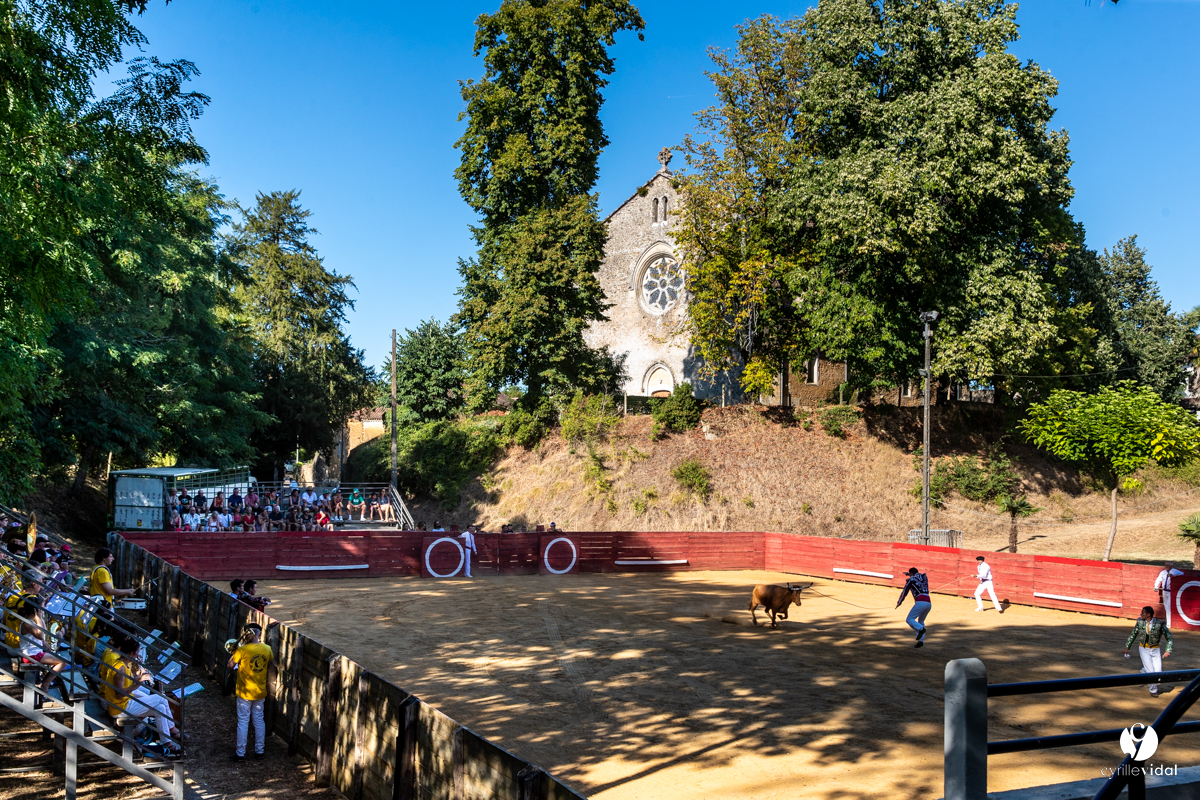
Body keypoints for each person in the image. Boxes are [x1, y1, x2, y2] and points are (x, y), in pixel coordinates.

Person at [100, 635, 180, 751]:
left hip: (126, 703)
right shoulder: (119, 669)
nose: (138, 654)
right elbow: (119, 694)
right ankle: (173, 729)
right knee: (161, 698)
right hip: (119, 708)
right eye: (137, 652)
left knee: (161, 708)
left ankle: (166, 742)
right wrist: (139, 681)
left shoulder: (124, 665)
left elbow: (129, 683)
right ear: (130, 653)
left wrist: (139, 675)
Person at [228, 623, 273, 760]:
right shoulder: (267, 649)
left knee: (243, 721)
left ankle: (240, 753)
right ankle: (260, 751)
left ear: (246, 633)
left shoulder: (242, 650)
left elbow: (230, 666)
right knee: (259, 720)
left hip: (244, 692)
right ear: (260, 633)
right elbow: (268, 664)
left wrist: (235, 652)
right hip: (260, 691)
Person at [17, 596, 68, 695]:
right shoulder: (28, 623)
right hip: (31, 655)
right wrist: (39, 618)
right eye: (41, 608)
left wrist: (40, 619)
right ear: (35, 610)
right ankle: (45, 685)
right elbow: (40, 635)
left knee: (61, 660)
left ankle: (45, 683)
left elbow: (43, 632)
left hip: (35, 653)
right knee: (63, 662)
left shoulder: (31, 622)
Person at [1125, 605, 1174, 697]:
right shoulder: (1140, 622)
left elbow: (1169, 637)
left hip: (1155, 650)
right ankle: (1153, 690)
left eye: (1143, 612)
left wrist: (1168, 650)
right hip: (1144, 649)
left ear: (1148, 614)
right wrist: (1127, 646)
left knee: (1158, 673)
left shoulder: (1159, 624)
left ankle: (1144, 671)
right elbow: (1134, 634)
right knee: (1151, 672)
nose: (1141, 614)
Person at [896, 567, 931, 648]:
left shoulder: (911, 581)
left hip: (920, 602)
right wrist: (909, 575)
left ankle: (920, 629)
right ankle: (920, 641)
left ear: (911, 574)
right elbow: (918, 576)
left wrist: (899, 602)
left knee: (909, 619)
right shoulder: (924, 577)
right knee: (921, 621)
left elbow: (904, 592)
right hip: (928, 603)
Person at [1155, 562, 1186, 628]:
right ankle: (1168, 622)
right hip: (1164, 591)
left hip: (1171, 592)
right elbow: (1158, 579)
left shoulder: (1175, 571)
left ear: (1172, 566)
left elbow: (1182, 573)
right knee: (1166, 607)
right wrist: (1156, 586)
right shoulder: (1163, 572)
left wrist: (1173, 575)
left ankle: (1169, 623)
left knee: (1169, 606)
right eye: (1166, 565)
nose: (1166, 566)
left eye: (1168, 565)